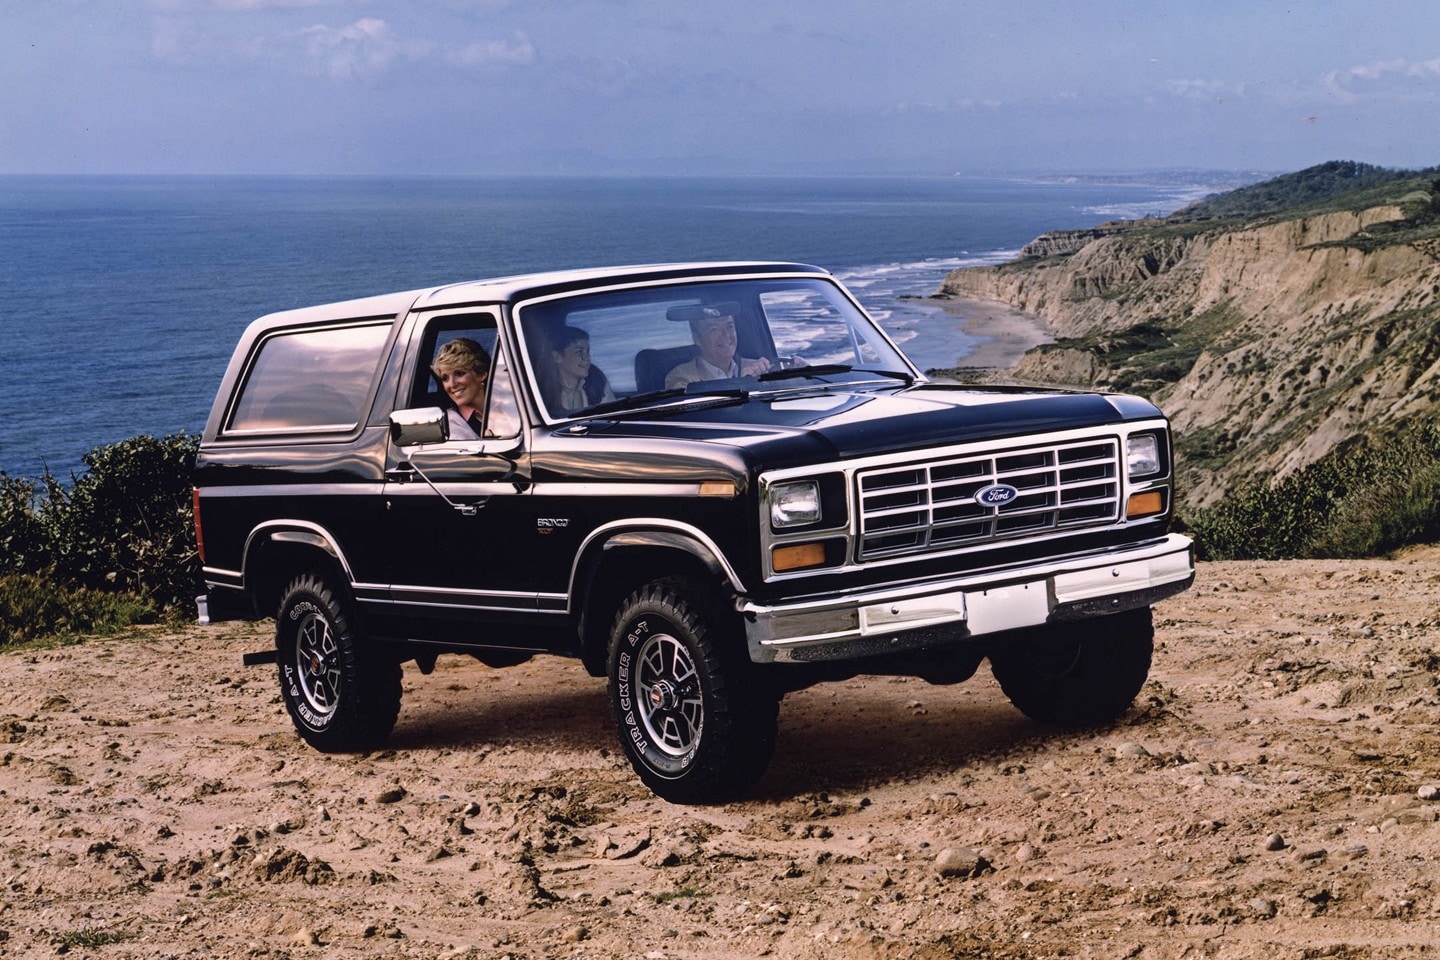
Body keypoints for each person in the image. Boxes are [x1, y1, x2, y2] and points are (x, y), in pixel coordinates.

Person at [664, 304, 772, 389]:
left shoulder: (755, 367)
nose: (726, 335)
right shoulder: (682, 377)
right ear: (697, 339)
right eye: (714, 329)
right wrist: (743, 384)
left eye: (730, 326)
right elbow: (694, 414)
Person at [540, 325, 615, 415]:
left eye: (587, 352)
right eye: (579, 352)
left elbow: (611, 416)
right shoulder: (541, 390)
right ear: (557, 357)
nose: (588, 358)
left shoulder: (597, 380)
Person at [430, 337, 490, 440]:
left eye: (459, 374)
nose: (452, 384)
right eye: (445, 378)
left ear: (481, 374)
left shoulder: (513, 406)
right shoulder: (449, 424)